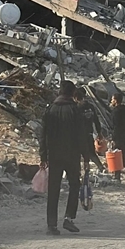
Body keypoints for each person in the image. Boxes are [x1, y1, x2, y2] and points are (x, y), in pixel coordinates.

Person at [40, 81, 87, 235]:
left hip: (54, 155)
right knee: (74, 184)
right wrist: (86, 156)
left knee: (53, 188)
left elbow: (43, 134)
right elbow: (82, 135)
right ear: (73, 93)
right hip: (71, 155)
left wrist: (43, 156)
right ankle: (68, 218)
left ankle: (51, 225)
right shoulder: (75, 110)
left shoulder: (50, 109)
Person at [74, 88, 105, 172]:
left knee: (77, 154)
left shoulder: (77, 108)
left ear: (76, 98)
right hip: (89, 133)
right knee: (91, 152)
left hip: (79, 135)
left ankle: (79, 171)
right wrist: (99, 132)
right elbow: (96, 120)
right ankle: (101, 167)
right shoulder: (91, 106)